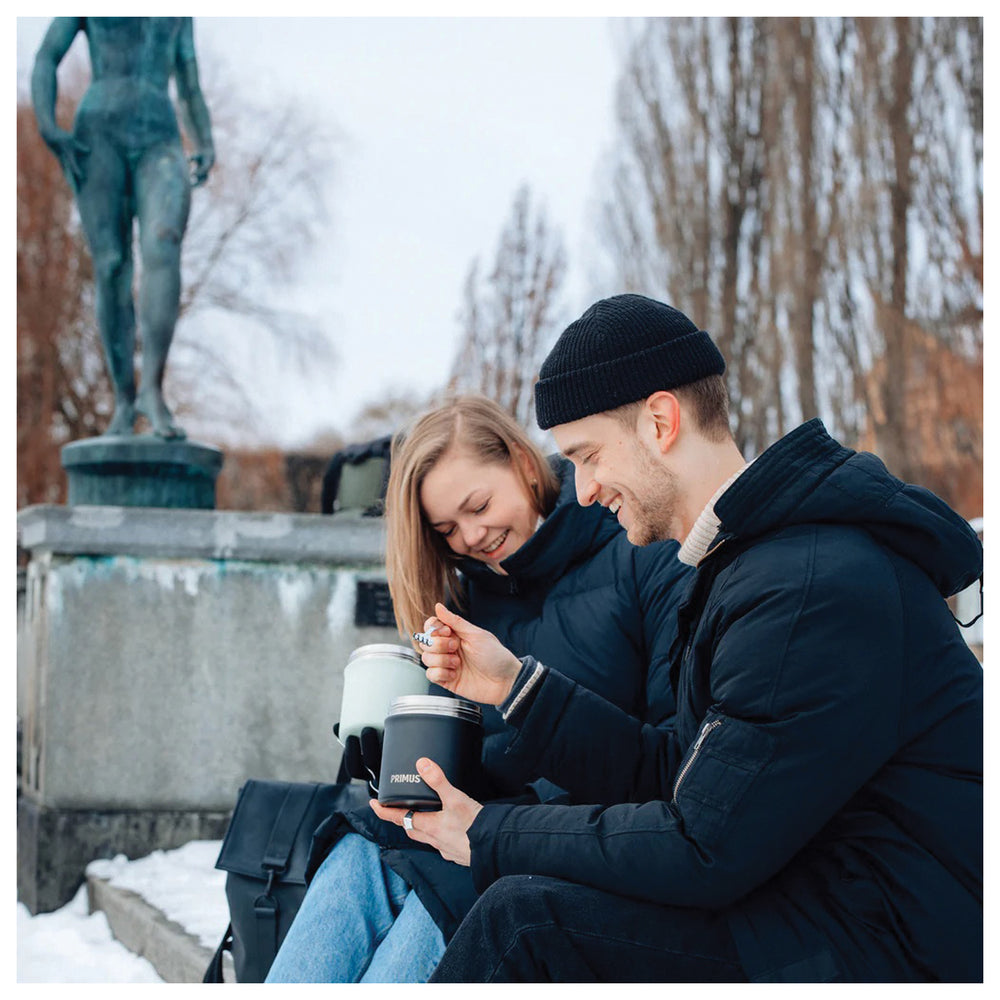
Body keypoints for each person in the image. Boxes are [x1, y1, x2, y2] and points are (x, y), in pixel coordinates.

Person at [370, 294, 983, 983]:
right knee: (528, 910)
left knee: (526, 923)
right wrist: (515, 687)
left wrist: (488, 834)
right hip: (808, 897)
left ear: (661, 421)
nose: (583, 489)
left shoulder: (809, 583)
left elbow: (702, 844)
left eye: (588, 455)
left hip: (887, 941)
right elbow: (681, 772)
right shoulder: (742, 566)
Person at [264, 394, 693, 982]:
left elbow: (674, 754)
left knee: (434, 908)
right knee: (356, 855)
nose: (472, 536)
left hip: (576, 836)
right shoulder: (464, 602)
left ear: (521, 460)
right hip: (476, 822)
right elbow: (472, 762)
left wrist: (521, 701)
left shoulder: (639, 549)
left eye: (479, 505)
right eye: (446, 530)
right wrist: (397, 761)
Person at [31, 17, 215, 439]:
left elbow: (188, 78)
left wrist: (204, 139)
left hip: (160, 134)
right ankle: (124, 399)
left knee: (163, 242)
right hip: (100, 132)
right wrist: (46, 123)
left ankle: (152, 389)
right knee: (112, 264)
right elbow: (46, 57)